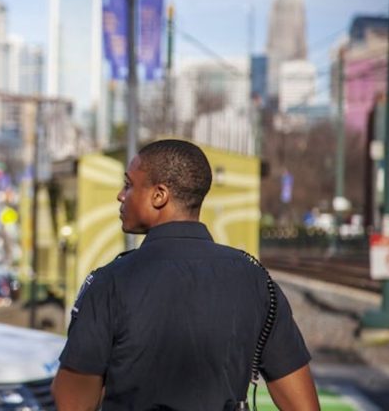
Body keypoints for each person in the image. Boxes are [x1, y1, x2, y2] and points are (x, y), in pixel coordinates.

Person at [51, 139, 318, 411]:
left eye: (129, 185)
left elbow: (71, 402)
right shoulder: (255, 280)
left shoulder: (111, 283)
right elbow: (304, 405)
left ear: (159, 195)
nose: (121, 195)